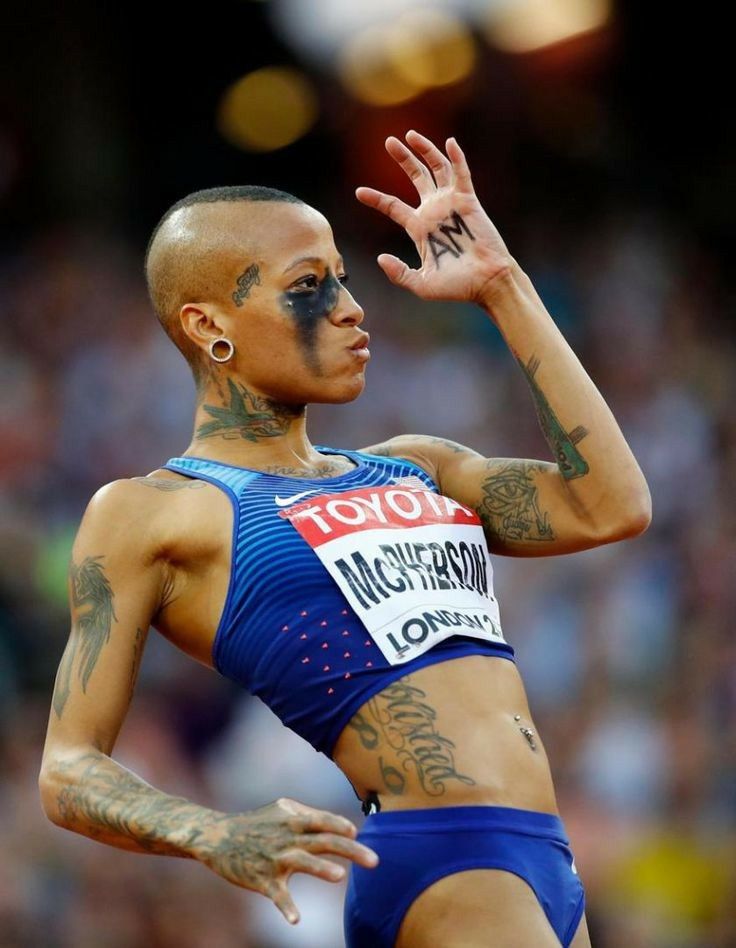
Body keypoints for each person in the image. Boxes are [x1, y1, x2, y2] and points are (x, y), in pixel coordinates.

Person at [39, 129, 650, 947]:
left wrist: (503, 286)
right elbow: (68, 768)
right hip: (439, 862)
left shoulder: (415, 467)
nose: (352, 308)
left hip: (543, 852)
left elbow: (611, 506)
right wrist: (214, 832)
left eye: (345, 281)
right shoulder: (155, 512)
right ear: (208, 325)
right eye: (308, 287)